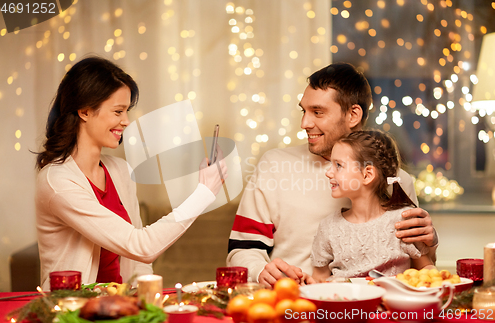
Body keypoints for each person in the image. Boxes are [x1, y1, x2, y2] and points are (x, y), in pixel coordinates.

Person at [227, 62, 438, 287]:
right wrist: (260, 271)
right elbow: (241, 249)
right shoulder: (274, 165)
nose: (304, 123)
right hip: (294, 305)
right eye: (304, 111)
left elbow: (418, 267)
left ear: (353, 114)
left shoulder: (395, 179)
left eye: (318, 112)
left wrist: (430, 240)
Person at [35, 56, 227, 290]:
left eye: (126, 111)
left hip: (120, 306)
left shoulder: (119, 170)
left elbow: (137, 261)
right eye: (118, 111)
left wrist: (141, 301)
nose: (126, 121)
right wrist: (204, 193)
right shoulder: (58, 181)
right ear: (85, 111)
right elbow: (141, 246)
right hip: (72, 309)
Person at [311, 130, 434, 282]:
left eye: (338, 165)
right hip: (346, 303)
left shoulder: (403, 221)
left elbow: (427, 269)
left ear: (367, 175)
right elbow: (318, 280)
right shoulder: (328, 227)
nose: (329, 173)